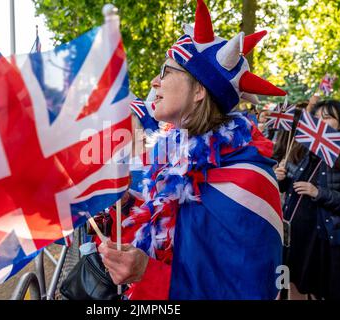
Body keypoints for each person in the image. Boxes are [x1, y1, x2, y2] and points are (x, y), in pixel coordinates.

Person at [98, 0, 286, 300]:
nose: (154, 82)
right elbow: (165, 227)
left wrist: (149, 273)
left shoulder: (249, 183)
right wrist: (121, 205)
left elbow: (249, 291)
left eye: (166, 70)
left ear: (199, 90)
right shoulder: (172, 159)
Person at [274, 99, 340, 300]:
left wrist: (318, 193)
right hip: (295, 232)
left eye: (328, 117)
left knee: (324, 289)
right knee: (292, 281)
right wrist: (281, 178)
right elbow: (291, 186)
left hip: (326, 237)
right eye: (318, 117)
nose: (321, 122)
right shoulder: (304, 148)